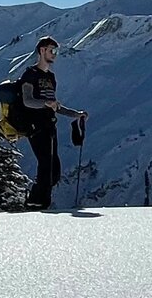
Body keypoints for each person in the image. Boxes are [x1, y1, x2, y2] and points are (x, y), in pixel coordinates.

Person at [19, 36, 88, 210]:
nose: (55, 54)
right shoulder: (30, 74)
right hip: (35, 126)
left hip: (50, 125)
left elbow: (54, 104)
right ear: (42, 51)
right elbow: (27, 101)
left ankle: (35, 201)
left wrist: (75, 114)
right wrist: (45, 104)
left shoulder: (51, 77)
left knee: (53, 169)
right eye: (52, 50)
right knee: (46, 165)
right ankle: (39, 204)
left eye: (56, 51)